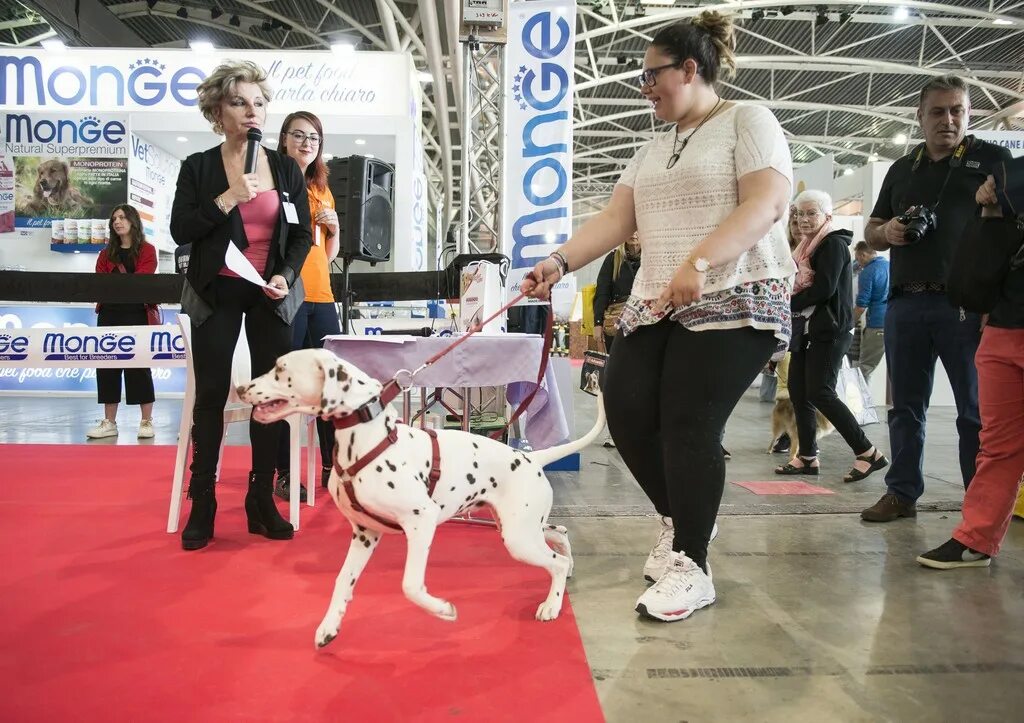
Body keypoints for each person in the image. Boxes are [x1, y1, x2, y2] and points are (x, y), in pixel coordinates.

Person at [522, 11, 794, 623]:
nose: (645, 90)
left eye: (652, 77)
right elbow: (617, 222)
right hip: (659, 299)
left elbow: (768, 203)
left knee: (686, 422)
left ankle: (693, 565)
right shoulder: (653, 147)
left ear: (690, 69)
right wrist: (559, 262)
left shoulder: (748, 121)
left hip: (735, 292)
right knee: (625, 407)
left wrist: (701, 260)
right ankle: (683, 521)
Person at [170, 60, 312, 551]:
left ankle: (260, 498)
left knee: (269, 398)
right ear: (217, 111)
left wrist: (284, 275)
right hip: (216, 292)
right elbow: (180, 229)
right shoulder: (199, 167)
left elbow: (302, 237)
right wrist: (228, 198)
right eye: (239, 102)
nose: (253, 112)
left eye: (259, 103)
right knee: (211, 394)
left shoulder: (286, 167)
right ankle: (203, 500)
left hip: (268, 293)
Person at [861, 74, 1013, 523]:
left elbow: (1012, 229)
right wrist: (885, 232)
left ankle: (979, 503)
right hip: (904, 304)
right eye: (937, 112)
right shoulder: (902, 168)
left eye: (957, 111)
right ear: (919, 117)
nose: (948, 120)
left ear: (968, 113)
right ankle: (902, 493)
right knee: (904, 408)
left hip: (965, 306)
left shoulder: (993, 160)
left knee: (974, 412)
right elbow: (872, 229)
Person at [917, 175, 1024, 568]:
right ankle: (976, 538)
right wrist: (991, 207)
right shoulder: (1011, 174)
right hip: (1004, 324)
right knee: (997, 445)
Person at [774, 190, 887, 481]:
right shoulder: (807, 247)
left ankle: (867, 452)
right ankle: (807, 456)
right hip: (806, 328)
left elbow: (824, 289)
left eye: (812, 213)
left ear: (827, 216)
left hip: (830, 329)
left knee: (820, 392)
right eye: (799, 214)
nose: (804, 219)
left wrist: (785, 303)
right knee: (799, 392)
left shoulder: (832, 244)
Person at [272, 111, 342, 503]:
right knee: (288, 387)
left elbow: (328, 254)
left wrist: (335, 229)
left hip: (323, 298)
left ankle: (332, 468)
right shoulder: (276, 182)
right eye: (298, 135)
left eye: (314, 137)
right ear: (284, 139)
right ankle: (284, 472)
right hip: (289, 297)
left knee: (329, 389)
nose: (306, 142)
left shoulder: (321, 187)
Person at [86, 205, 158, 441]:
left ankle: (146, 420)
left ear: (133, 221)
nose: (117, 221)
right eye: (114, 218)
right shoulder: (105, 254)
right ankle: (109, 422)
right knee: (107, 368)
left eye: (122, 217)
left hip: (137, 314)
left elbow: (143, 280)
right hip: (108, 315)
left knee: (140, 368)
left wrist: (117, 283)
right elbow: (100, 283)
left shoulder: (148, 250)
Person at [592, 232, 641, 355]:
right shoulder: (613, 259)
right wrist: (597, 323)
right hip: (615, 323)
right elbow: (602, 292)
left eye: (638, 229)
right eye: (630, 229)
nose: (634, 233)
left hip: (644, 322)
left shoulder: (652, 258)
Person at [852, 241, 889, 382]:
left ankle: (862, 404)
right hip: (894, 322)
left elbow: (861, 305)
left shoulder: (868, 272)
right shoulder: (890, 266)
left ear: (863, 255)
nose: (858, 262)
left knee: (864, 368)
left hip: (877, 324)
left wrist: (849, 324)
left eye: (857, 258)